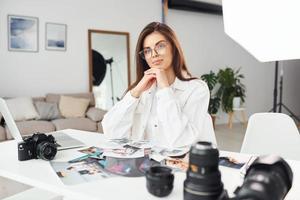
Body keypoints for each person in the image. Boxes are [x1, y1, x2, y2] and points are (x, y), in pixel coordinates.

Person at [102, 22, 216, 149]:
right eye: (147, 51)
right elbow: (111, 133)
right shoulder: (141, 89)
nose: (154, 54)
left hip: (181, 164)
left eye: (160, 46)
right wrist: (135, 93)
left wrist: (165, 89)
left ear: (173, 47)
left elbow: (181, 140)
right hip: (143, 164)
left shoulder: (197, 89)